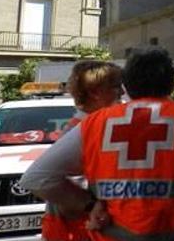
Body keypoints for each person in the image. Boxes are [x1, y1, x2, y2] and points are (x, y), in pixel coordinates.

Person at [21, 47, 174, 241]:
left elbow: (35, 178)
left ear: (128, 85)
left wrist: (90, 204)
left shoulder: (94, 124)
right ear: (173, 82)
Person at [41, 61, 123, 241]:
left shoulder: (85, 126)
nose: (122, 93)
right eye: (116, 87)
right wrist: (92, 205)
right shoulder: (83, 129)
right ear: (96, 93)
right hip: (75, 230)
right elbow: (43, 180)